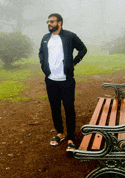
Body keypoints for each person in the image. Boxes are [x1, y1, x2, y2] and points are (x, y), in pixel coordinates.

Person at [39, 13, 87, 150]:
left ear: (59, 23)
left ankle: (71, 137)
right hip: (51, 80)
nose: (49, 24)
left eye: (52, 21)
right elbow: (41, 53)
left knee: (69, 109)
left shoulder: (70, 36)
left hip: (66, 80)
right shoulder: (45, 38)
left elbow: (83, 49)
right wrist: (44, 67)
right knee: (55, 108)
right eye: (48, 21)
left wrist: (74, 62)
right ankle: (60, 133)